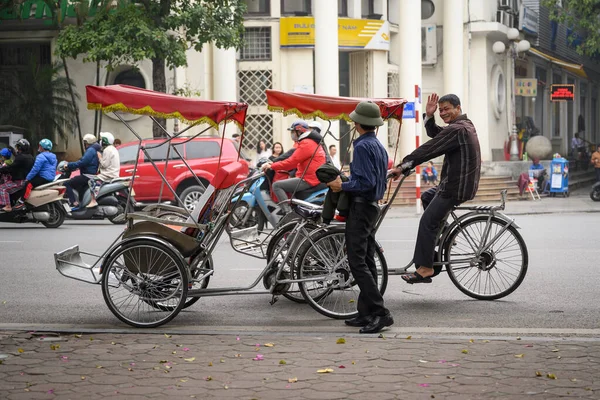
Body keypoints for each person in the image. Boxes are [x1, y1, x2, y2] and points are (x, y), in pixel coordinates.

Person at [391, 93, 481, 284]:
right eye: (441, 110)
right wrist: (429, 116)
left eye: (447, 109)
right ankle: (446, 232)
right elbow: (438, 135)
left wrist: (403, 165)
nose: (443, 113)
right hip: (455, 184)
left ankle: (425, 268)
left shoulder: (458, 129)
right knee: (426, 196)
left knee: (427, 222)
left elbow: (430, 148)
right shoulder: (464, 125)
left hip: (454, 188)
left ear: (458, 108)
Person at [327, 101, 393, 334]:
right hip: (371, 206)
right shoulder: (378, 145)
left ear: (359, 123)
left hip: (362, 206)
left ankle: (380, 313)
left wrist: (342, 184)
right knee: (365, 259)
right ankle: (366, 312)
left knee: (356, 261)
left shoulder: (363, 146)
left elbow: (365, 183)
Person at [261, 120, 326, 212]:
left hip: (308, 179)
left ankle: (288, 212)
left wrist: (272, 166)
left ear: (299, 132)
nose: (291, 134)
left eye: (292, 132)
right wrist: (273, 163)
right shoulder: (310, 142)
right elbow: (291, 157)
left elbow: (291, 162)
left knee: (277, 185)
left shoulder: (306, 143)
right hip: (311, 176)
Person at [64, 134, 101, 210]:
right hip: (90, 175)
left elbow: (83, 162)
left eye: (85, 143)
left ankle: (74, 203)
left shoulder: (90, 150)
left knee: (67, 183)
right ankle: (81, 203)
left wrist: (69, 165)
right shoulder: (94, 150)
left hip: (87, 176)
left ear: (87, 142)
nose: (84, 144)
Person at [0, 139, 34, 212]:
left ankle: (7, 206)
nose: (17, 149)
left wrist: (1, 170)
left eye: (17, 147)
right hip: (24, 180)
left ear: (20, 148)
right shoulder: (30, 156)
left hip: (19, 181)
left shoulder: (20, 158)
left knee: (2, 188)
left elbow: (11, 168)